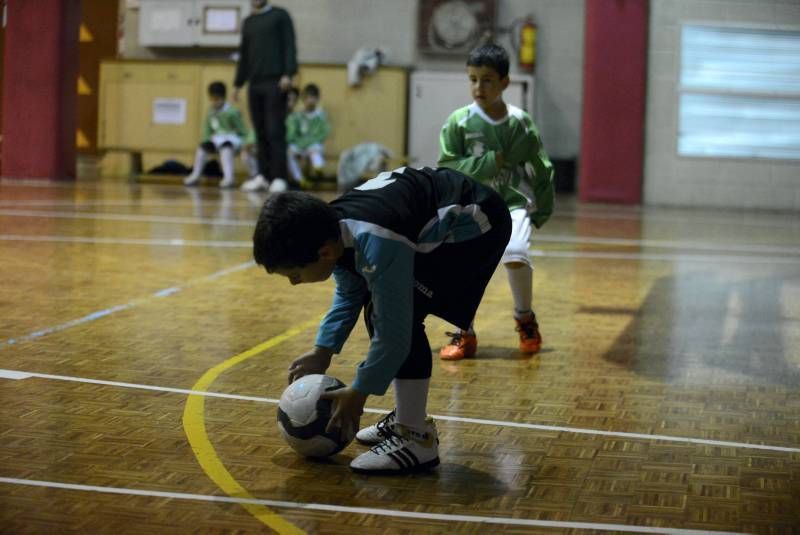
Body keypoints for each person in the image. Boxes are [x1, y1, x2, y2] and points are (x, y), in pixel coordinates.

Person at [252, 166, 511, 474]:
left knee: (398, 315)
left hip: (476, 229)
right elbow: (350, 293)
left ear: (323, 253)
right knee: (378, 305)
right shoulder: (331, 231)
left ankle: (416, 437)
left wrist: (359, 392)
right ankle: (407, 415)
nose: (294, 283)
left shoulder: (376, 240)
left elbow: (395, 335)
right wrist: (323, 351)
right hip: (441, 217)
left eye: (294, 275)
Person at [437, 43, 554, 360]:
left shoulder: (520, 123)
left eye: (487, 79)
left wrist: (542, 207)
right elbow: (447, 167)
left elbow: (542, 167)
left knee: (515, 252)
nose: (478, 87)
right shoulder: (458, 122)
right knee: (462, 265)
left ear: (504, 82)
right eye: (473, 79)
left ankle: (525, 319)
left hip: (512, 204)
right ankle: (465, 332)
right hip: (473, 209)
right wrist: (489, 162)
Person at [235, 0, 297, 193]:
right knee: (259, 131)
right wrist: (238, 83)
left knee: (275, 130)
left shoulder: (280, 15)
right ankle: (262, 176)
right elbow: (244, 54)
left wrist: (288, 73)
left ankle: (279, 177)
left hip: (276, 81)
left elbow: (289, 45)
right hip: (254, 83)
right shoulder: (248, 22)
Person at [184, 81, 250, 189]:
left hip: (232, 139)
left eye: (217, 99)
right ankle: (195, 175)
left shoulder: (232, 112)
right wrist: (207, 140)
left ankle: (229, 178)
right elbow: (207, 130)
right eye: (212, 99)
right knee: (202, 148)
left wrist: (243, 143)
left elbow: (242, 131)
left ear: (223, 98)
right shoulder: (210, 112)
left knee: (225, 148)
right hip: (217, 139)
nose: (215, 102)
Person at [286, 83, 331, 186]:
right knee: (289, 152)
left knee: (316, 149)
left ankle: (318, 169)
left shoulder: (320, 116)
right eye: (307, 97)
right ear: (303, 99)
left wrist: (311, 141)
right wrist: (293, 141)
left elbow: (324, 133)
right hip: (301, 144)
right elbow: (293, 133)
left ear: (317, 99)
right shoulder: (298, 115)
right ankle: (300, 179)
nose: (310, 100)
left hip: (312, 144)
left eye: (313, 97)